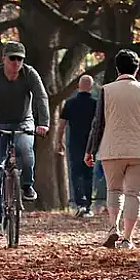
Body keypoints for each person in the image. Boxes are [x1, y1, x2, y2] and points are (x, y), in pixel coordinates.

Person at [85, 50, 140, 249]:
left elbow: (98, 123)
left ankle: (113, 227)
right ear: (137, 69)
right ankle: (127, 238)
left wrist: (90, 150)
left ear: (117, 68)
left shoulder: (106, 90)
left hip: (112, 149)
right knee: (134, 194)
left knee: (114, 189)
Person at [0, 41, 50, 238]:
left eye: (20, 59)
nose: (16, 62)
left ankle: (26, 184)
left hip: (24, 122)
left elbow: (41, 98)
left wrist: (44, 123)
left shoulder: (30, 74)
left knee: (25, 150)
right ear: (4, 59)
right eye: (12, 58)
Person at [55, 75, 98, 217]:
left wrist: (59, 141)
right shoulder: (96, 104)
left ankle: (80, 203)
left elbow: (61, 125)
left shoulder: (70, 103)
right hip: (91, 144)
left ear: (78, 86)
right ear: (91, 87)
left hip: (74, 143)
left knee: (76, 173)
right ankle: (88, 206)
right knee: (88, 174)